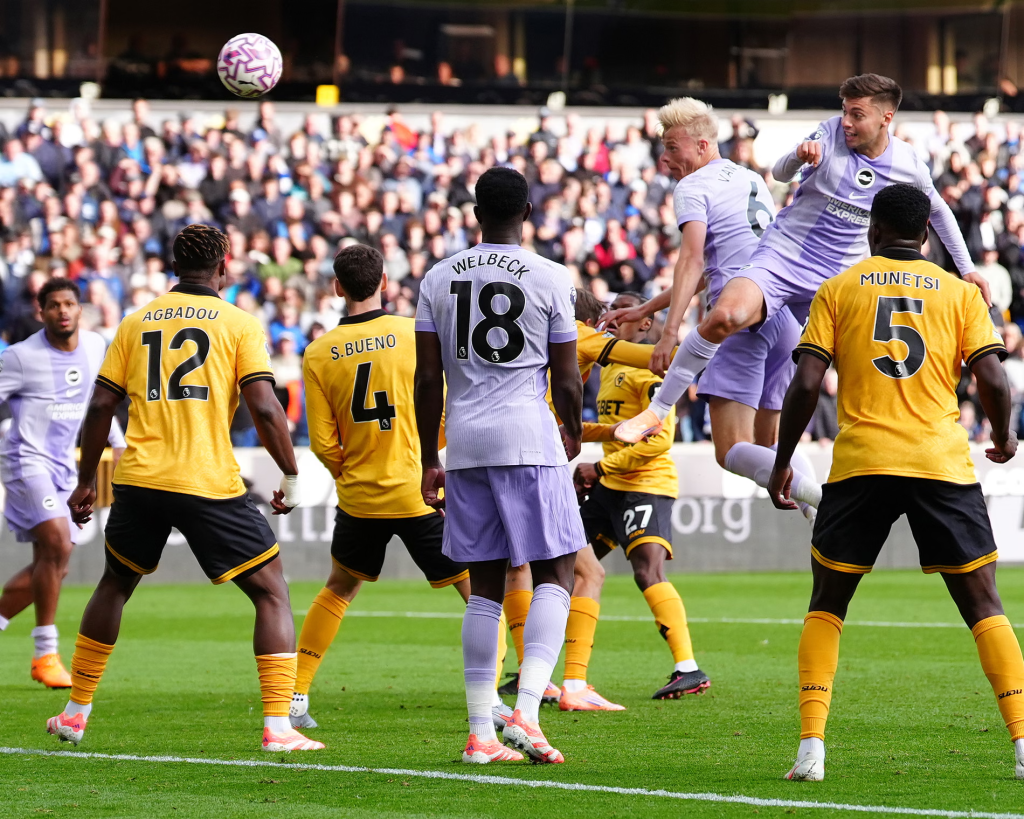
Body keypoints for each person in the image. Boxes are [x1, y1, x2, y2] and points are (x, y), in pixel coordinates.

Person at [768, 183, 1023, 782]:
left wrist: (782, 460)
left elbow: (806, 384)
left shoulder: (839, 289)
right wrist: (1005, 436)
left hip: (861, 461)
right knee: (984, 603)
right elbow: (993, 375)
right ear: (928, 233)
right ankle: (1021, 742)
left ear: (873, 232)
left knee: (827, 603)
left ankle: (811, 747)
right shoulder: (961, 294)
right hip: (939, 461)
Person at [615, 75, 990, 480]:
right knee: (725, 316)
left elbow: (939, 212)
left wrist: (967, 267)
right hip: (783, 257)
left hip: (837, 276)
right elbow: (780, 172)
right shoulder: (828, 134)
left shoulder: (908, 163)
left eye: (856, 114)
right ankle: (657, 411)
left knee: (859, 358)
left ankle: (867, 456)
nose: (846, 120)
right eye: (845, 110)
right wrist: (799, 155)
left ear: (887, 117)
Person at [47, 225, 323, 753]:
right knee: (271, 592)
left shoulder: (135, 322)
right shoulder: (238, 324)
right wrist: (288, 474)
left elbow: (101, 408)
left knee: (114, 585)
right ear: (223, 266)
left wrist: (86, 480)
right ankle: (278, 726)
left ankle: (75, 713)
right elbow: (265, 408)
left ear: (176, 266)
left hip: (141, 479)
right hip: (206, 480)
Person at [291, 243, 510, 733]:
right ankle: (491, 699)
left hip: (361, 498)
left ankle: (295, 695)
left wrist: (349, 475)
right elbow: (450, 406)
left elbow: (323, 443)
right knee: (478, 593)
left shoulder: (319, 353)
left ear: (337, 288)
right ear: (385, 282)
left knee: (339, 589)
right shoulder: (414, 336)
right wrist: (431, 456)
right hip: (420, 493)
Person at [415, 167, 586, 764]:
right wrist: (572, 430)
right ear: (529, 211)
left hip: (464, 446)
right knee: (557, 573)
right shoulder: (549, 276)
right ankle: (529, 714)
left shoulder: (438, 276)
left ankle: (480, 734)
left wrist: (426, 456)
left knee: (484, 589)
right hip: (527, 439)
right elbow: (564, 377)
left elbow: (425, 377)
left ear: (474, 213)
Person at [601, 97, 819, 519]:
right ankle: (817, 513)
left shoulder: (693, 187)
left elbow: (693, 259)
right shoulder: (749, 178)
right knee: (772, 445)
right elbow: (722, 260)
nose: (665, 159)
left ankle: (822, 502)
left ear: (702, 146)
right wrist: (648, 305)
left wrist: (668, 332)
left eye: (672, 147)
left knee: (730, 450)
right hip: (782, 319)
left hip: (738, 323)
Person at [574, 291, 710, 701]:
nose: (613, 317)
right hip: (609, 486)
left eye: (623, 311)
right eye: (610, 310)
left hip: (645, 484)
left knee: (646, 571)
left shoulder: (650, 372)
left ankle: (688, 668)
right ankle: (552, 676)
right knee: (565, 568)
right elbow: (616, 430)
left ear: (645, 323)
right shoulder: (609, 368)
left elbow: (658, 440)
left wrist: (598, 467)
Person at [0, 279, 125, 687]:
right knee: (56, 545)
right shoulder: (20, 358)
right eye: (53, 305)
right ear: (42, 312)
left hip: (64, 467)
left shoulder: (94, 346)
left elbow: (101, 401)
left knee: (54, 566)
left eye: (69, 303)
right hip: (24, 461)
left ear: (79, 309)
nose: (62, 311)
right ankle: (45, 654)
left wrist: (118, 443)